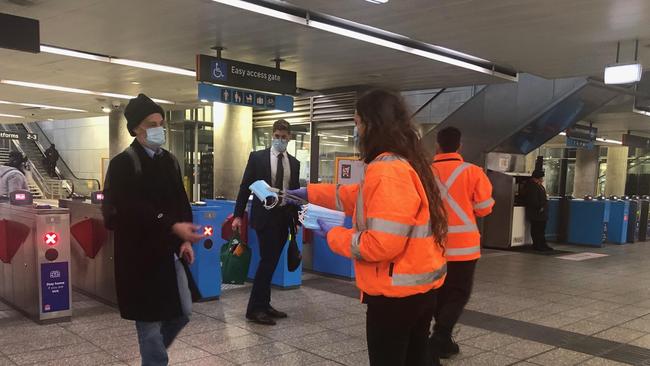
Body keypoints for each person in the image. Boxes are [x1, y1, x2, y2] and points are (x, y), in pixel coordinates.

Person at [289, 89, 448, 366]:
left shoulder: (387, 170)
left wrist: (334, 234)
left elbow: (381, 245)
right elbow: (358, 196)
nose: (356, 131)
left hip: (395, 298)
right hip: (416, 291)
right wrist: (310, 192)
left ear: (372, 125)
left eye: (357, 123)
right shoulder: (404, 162)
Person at [102, 94, 204, 366]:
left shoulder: (169, 160)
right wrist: (171, 225)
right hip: (139, 259)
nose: (159, 128)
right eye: (151, 123)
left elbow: (181, 201)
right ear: (136, 128)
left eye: (161, 122)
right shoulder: (123, 163)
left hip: (169, 254)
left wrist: (185, 240)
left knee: (182, 312)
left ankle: (154, 356)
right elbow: (125, 210)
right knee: (148, 324)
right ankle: (155, 361)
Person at [429, 126, 494, 359]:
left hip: (431, 245)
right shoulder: (473, 172)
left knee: (436, 291)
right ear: (460, 146)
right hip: (464, 248)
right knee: (458, 292)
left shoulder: (424, 172)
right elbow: (484, 208)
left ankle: (442, 338)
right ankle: (441, 334)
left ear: (437, 145)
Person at [233, 119, 300, 325]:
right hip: (265, 216)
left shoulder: (294, 163)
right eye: (277, 136)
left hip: (283, 218)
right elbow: (245, 186)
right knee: (267, 260)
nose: (280, 140)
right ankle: (254, 309)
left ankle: (265, 304)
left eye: (284, 136)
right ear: (272, 136)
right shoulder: (258, 158)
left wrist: (296, 220)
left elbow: (295, 192)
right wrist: (238, 215)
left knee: (271, 261)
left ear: (289, 137)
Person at [522, 169, 552, 251]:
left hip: (541, 212)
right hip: (537, 212)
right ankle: (537, 245)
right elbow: (533, 200)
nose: (542, 179)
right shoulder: (532, 186)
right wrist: (540, 207)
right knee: (536, 229)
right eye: (541, 177)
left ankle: (542, 244)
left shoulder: (539, 185)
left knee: (541, 229)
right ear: (537, 178)